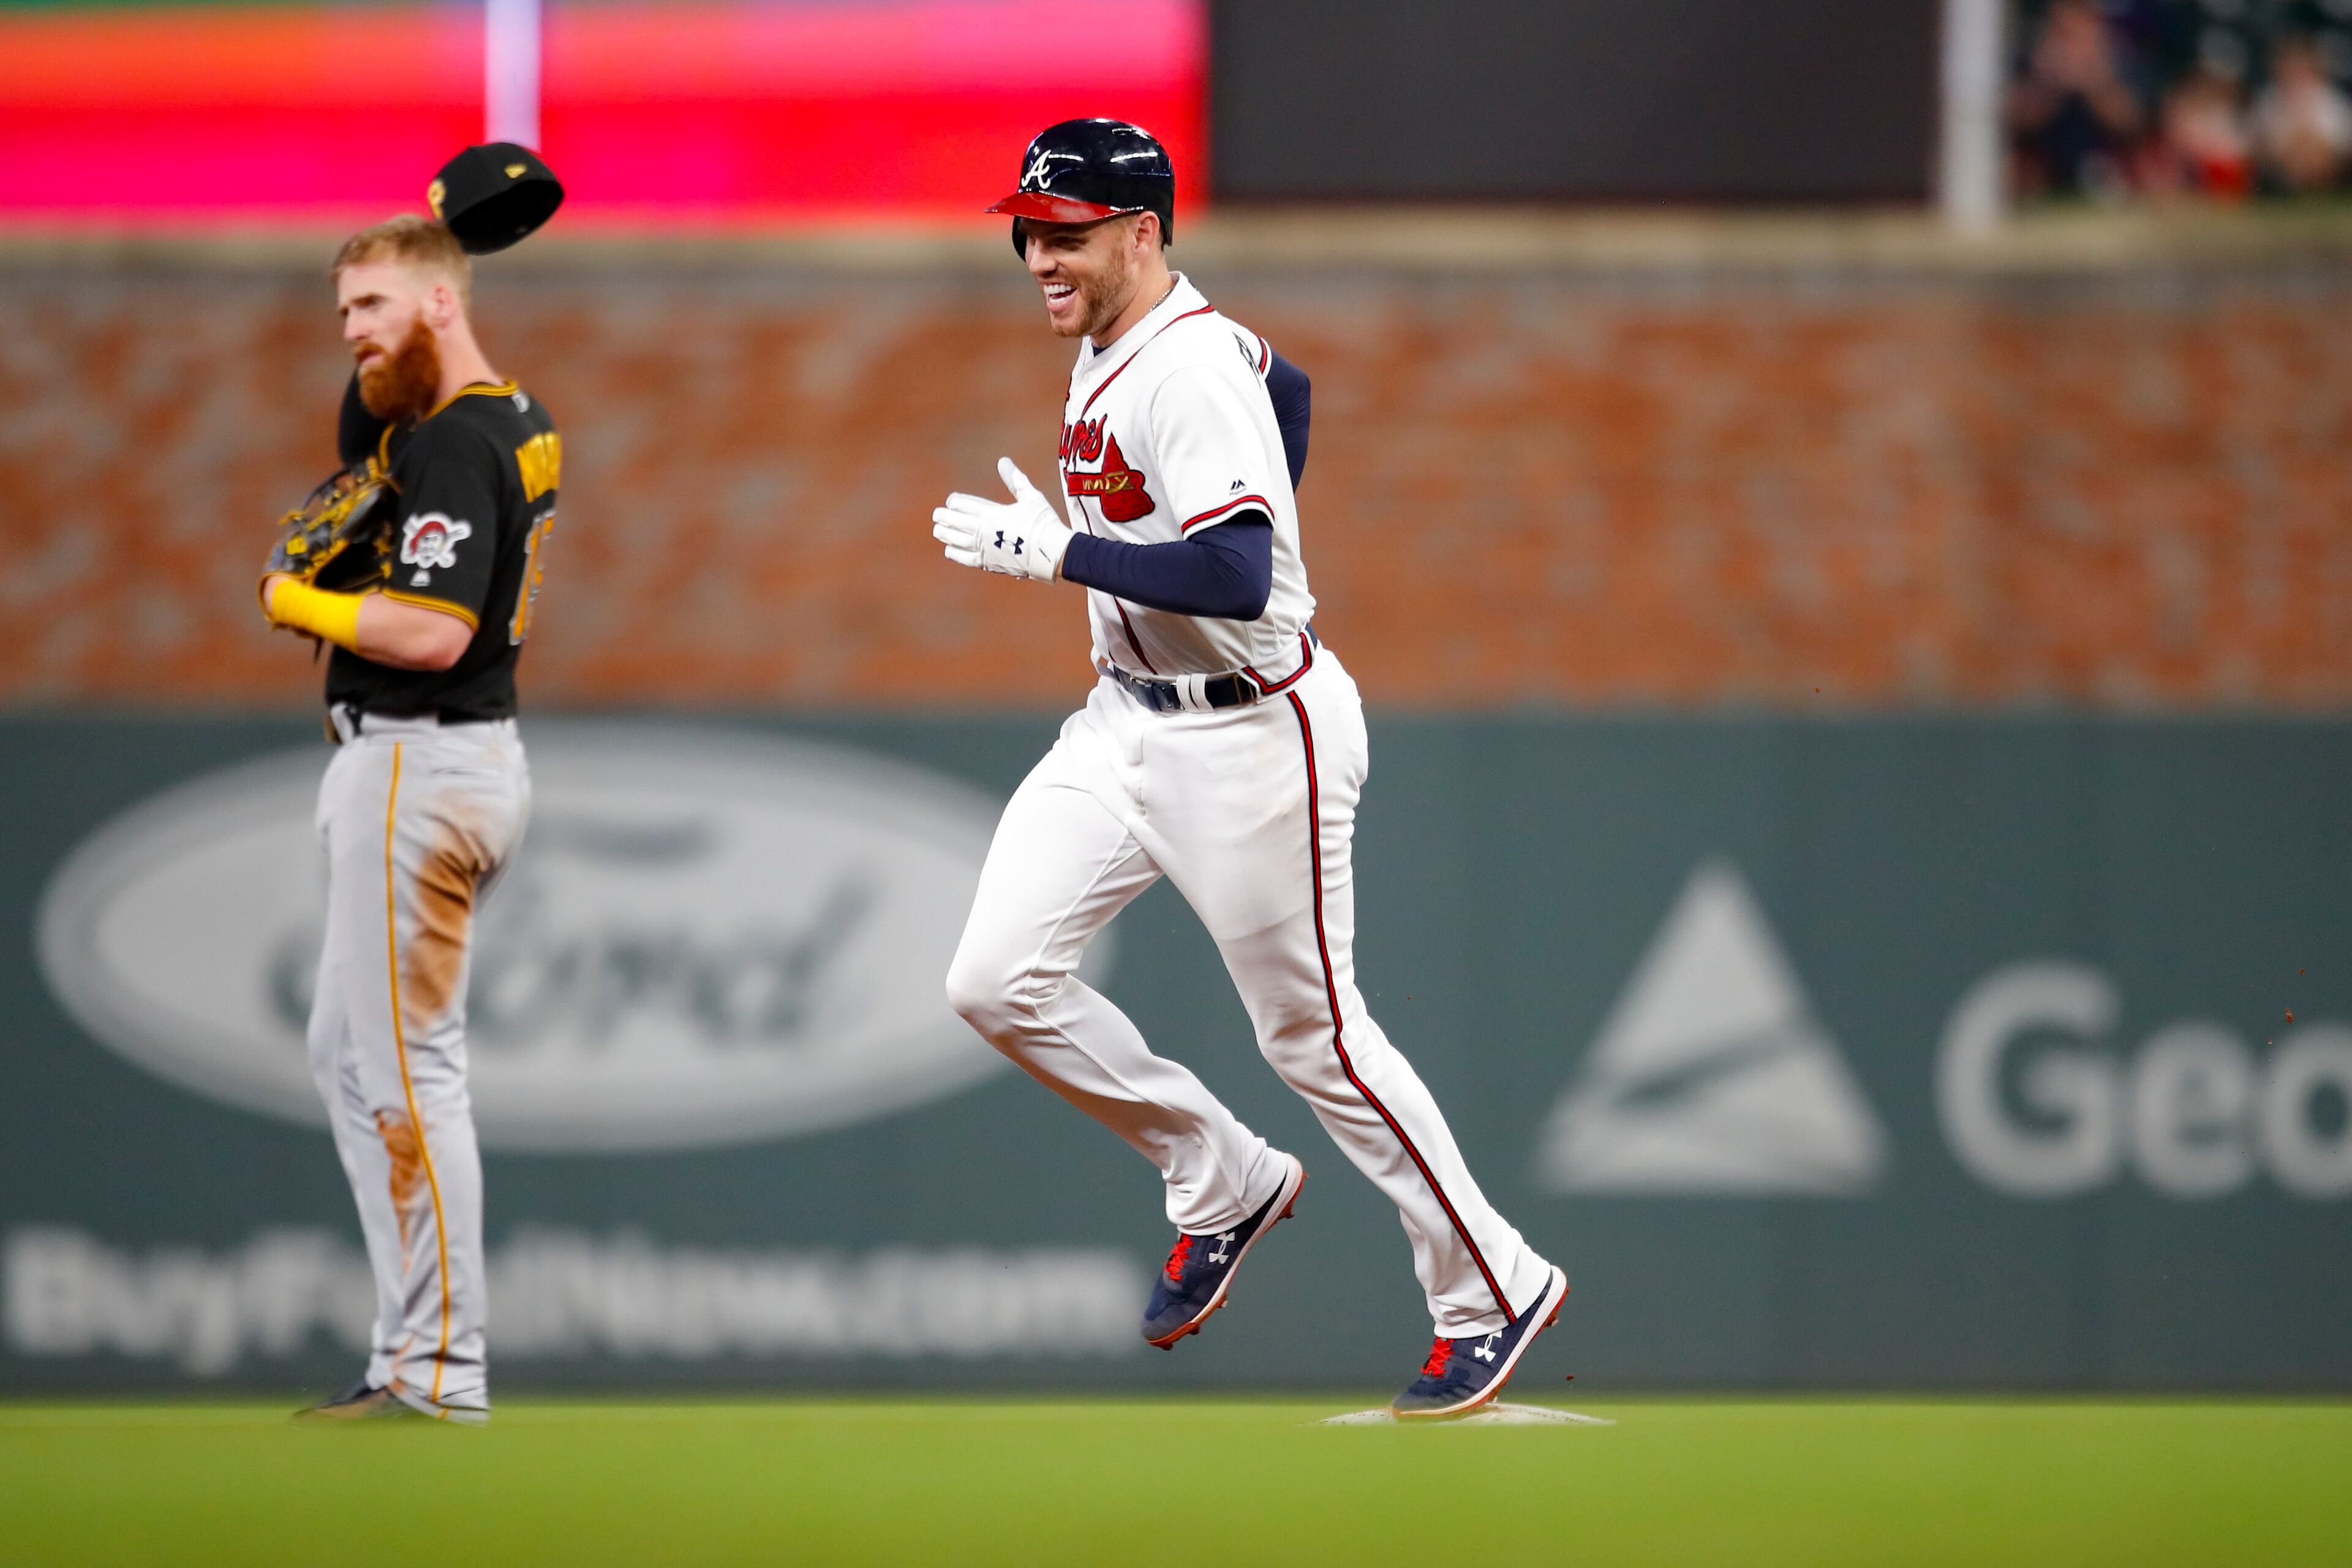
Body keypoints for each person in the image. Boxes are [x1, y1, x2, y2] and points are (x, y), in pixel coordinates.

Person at [932, 119, 1566, 1419]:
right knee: (994, 978)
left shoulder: (1184, 366)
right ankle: (1219, 1172)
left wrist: (1064, 556)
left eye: (1068, 233)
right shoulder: (1150, 343)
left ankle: (1490, 1285)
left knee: (1318, 1039)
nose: (1040, 254)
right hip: (1124, 722)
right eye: (1028, 231)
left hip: (1253, 731)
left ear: (1145, 232)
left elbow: (1229, 567)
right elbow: (1296, 391)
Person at [259, 206, 559, 1423]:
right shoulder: (515, 419)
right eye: (343, 314)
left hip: (416, 769)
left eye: (372, 307)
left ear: (442, 300)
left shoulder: (450, 445)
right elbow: (373, 416)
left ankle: (440, 1370)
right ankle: (411, 1352)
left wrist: (297, 598)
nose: (353, 335)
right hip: (454, 762)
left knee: (405, 1074)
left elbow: (429, 633)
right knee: (351, 1056)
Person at [2010, 0, 2147, 196]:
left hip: (2106, 170)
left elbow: (2132, 125)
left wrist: (2095, 80)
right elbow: (2016, 121)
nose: (2071, 45)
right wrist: (2048, 82)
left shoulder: (2119, 60)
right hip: (2042, 170)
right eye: (2063, 33)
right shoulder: (2032, 64)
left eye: (2078, 33)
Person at [2253, 35, 2352, 192]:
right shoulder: (2269, 100)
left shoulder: (2333, 100)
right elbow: (2264, 146)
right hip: (2281, 167)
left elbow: (2340, 147)